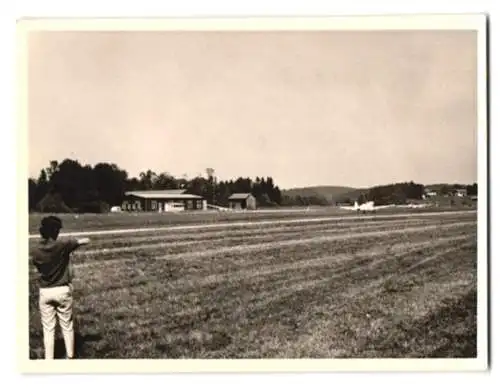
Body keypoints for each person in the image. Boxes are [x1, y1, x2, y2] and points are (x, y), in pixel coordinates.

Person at [30, 215, 90, 360]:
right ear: (55, 231)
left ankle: (49, 359)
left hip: (45, 291)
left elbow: (37, 266)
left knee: (48, 329)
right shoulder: (62, 246)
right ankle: (70, 356)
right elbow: (84, 241)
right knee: (67, 326)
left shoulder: (36, 251)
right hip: (62, 289)